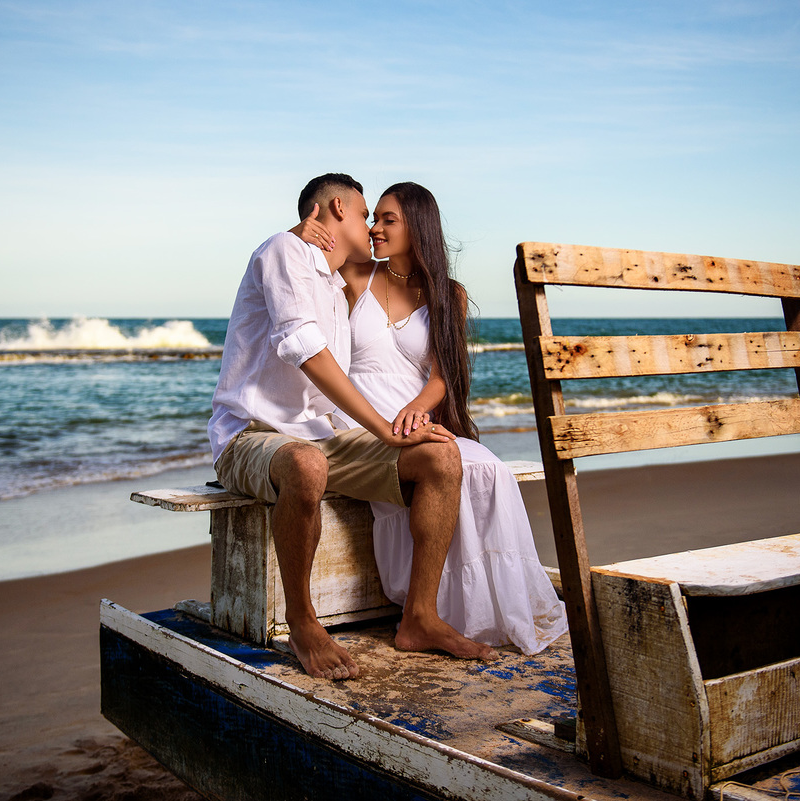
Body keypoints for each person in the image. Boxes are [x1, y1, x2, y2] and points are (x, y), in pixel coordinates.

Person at [209, 173, 497, 682]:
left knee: (440, 454)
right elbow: (303, 349)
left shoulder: (337, 278)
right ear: (338, 207)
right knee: (305, 462)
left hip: (321, 433)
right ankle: (303, 623)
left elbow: (398, 275)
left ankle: (420, 617)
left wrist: (405, 425)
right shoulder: (284, 251)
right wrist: (385, 428)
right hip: (251, 435)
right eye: (366, 215)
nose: (370, 228)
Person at [299, 182, 568, 654]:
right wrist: (304, 228)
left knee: (484, 466)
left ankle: (469, 609)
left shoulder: (450, 295)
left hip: (413, 411)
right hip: (360, 417)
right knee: (442, 462)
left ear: (418, 227)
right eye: (373, 218)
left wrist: (418, 409)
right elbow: (297, 266)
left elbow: (443, 377)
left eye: (387, 220)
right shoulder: (357, 276)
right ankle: (424, 614)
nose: (375, 228)